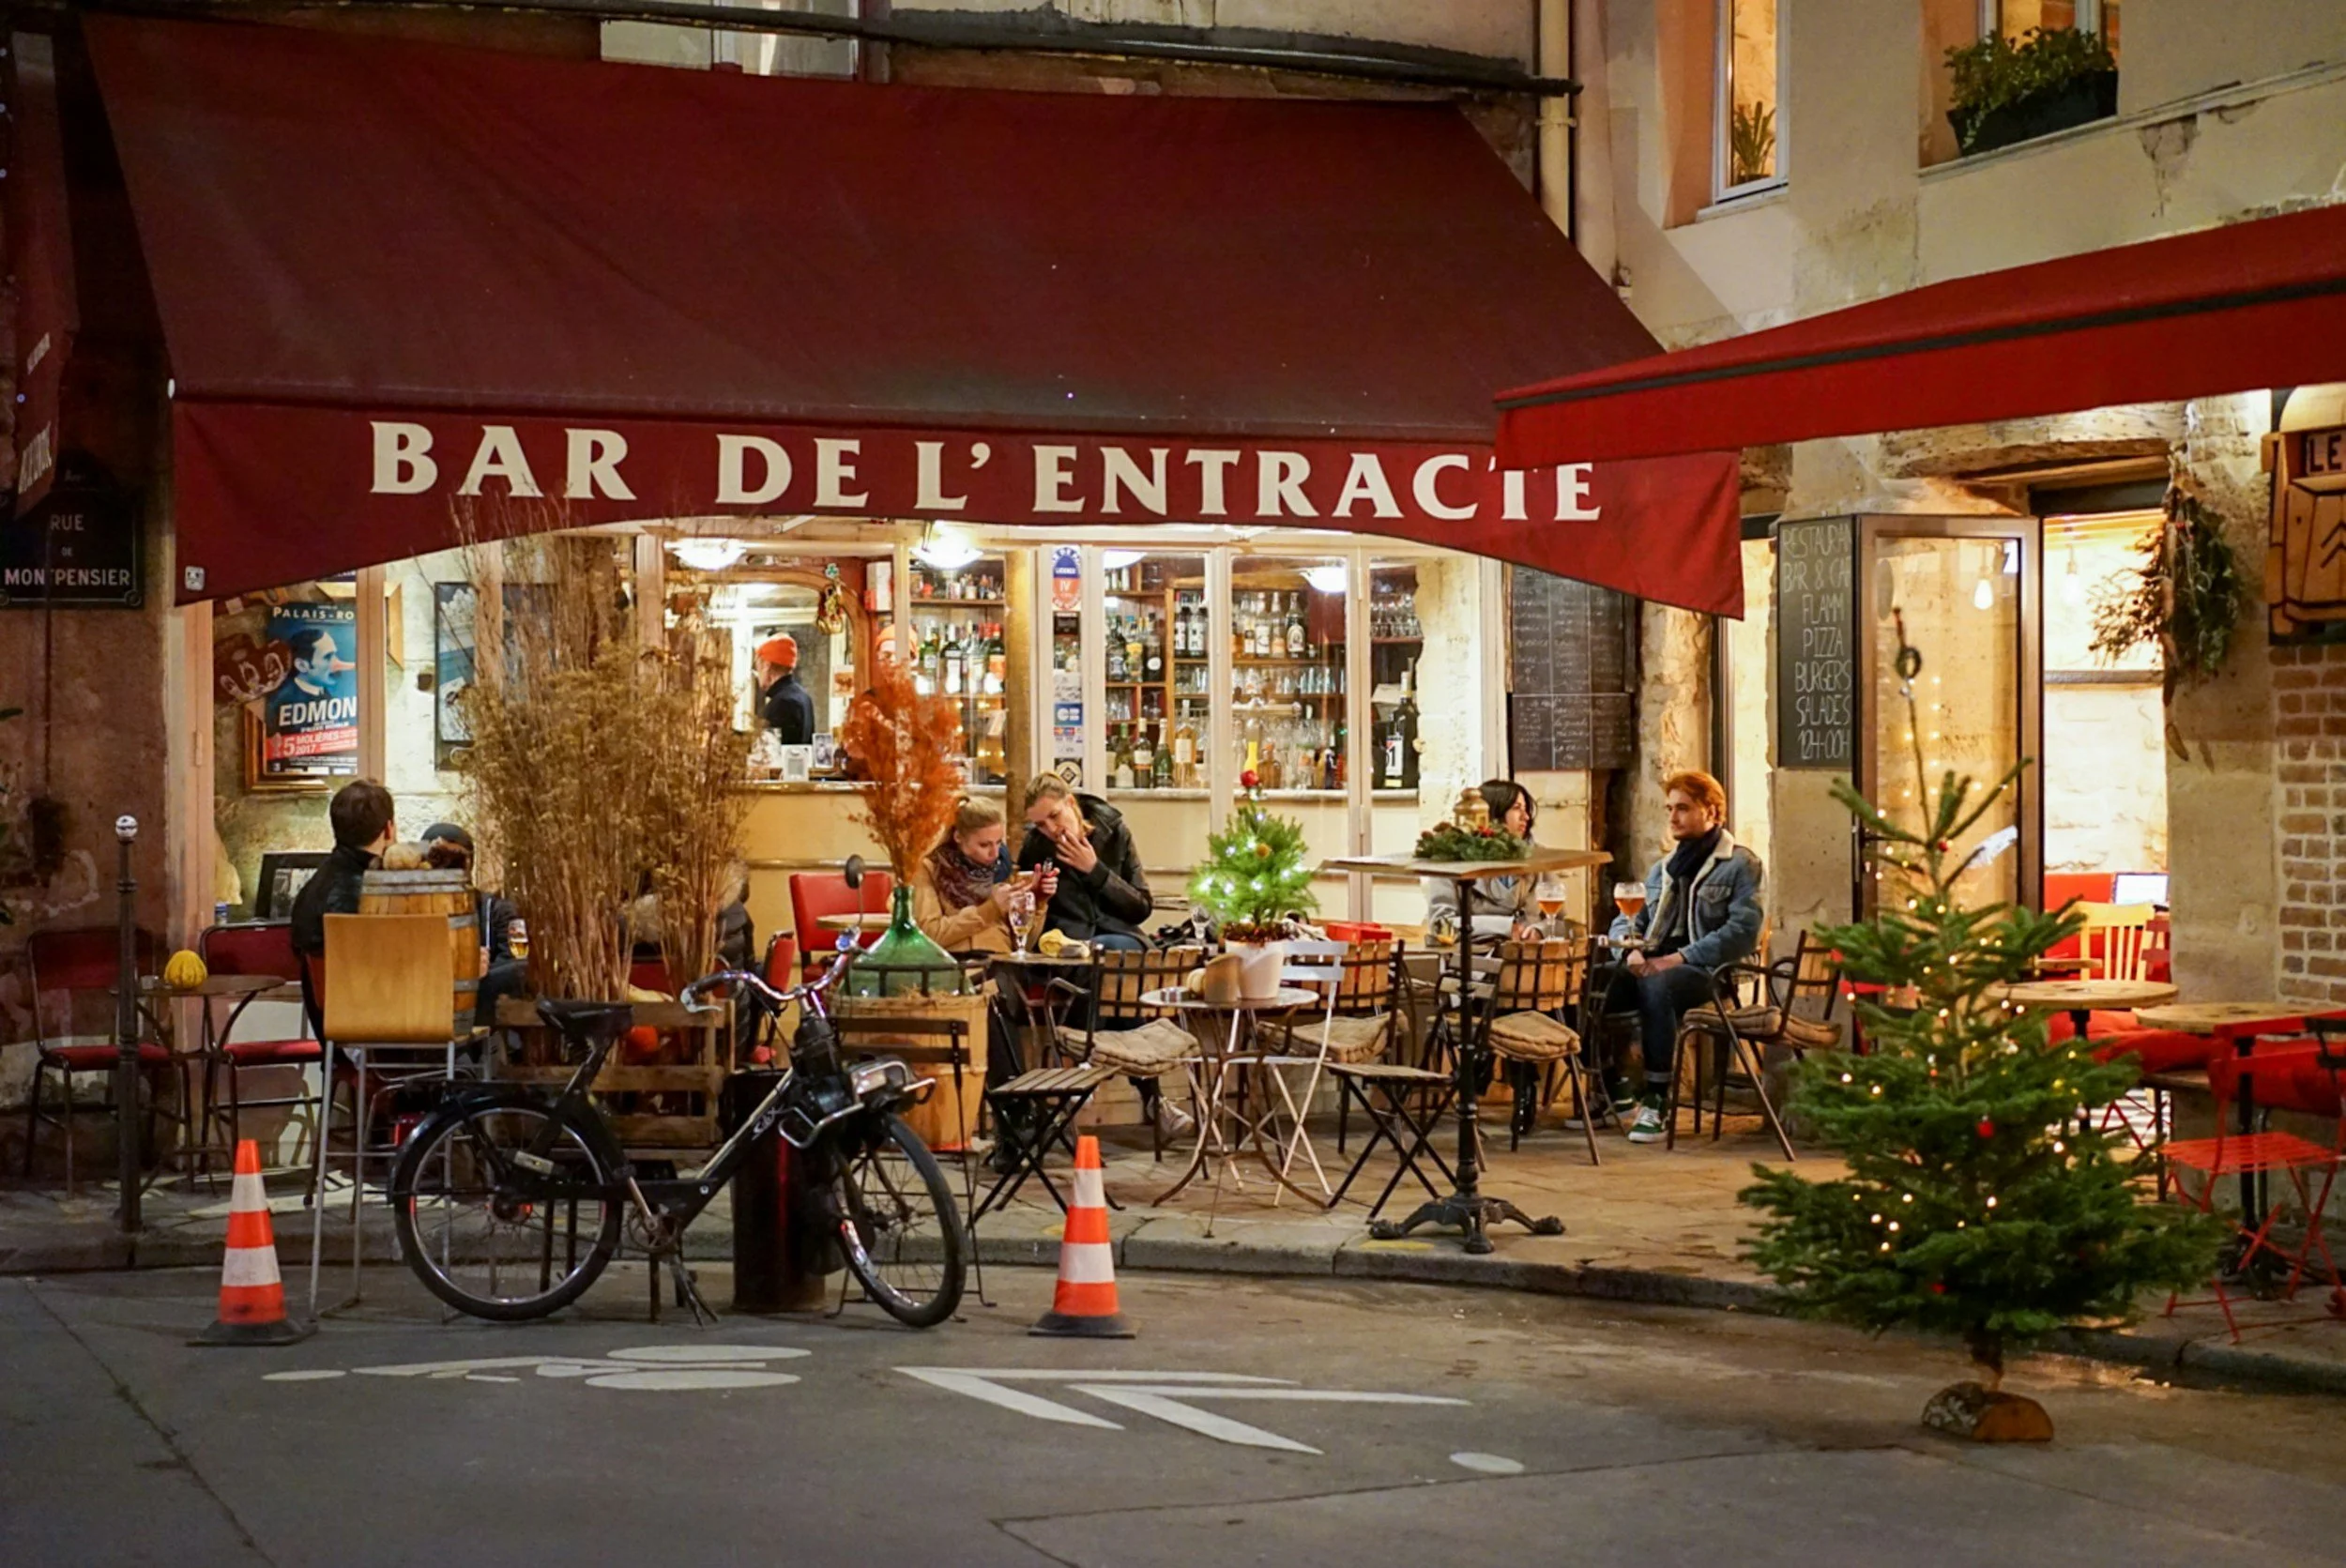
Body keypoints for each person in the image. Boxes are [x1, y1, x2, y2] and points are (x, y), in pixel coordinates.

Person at [1603, 769, 1764, 1145]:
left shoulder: (1742, 864)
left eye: (1683, 808)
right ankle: (1614, 1088)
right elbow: (1627, 920)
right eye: (1669, 809)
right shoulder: (1663, 868)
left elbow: (1742, 933)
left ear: (1714, 813)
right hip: (1657, 960)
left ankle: (1657, 1100)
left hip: (1709, 968)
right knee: (1593, 978)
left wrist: (1675, 959)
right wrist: (1630, 949)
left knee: (1659, 984)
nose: (1673, 817)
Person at [289, 779, 396, 1032]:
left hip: (333, 1035)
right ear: (389, 829)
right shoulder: (370, 894)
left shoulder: (314, 885)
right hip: (384, 1033)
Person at [1015, 775, 1152, 946]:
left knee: (1103, 948)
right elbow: (1021, 913)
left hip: (1117, 933)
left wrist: (1096, 870)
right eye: (1041, 825)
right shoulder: (1036, 845)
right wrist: (1037, 895)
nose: (1051, 829)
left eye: (1054, 815)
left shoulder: (1114, 833)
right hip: (1062, 938)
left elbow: (1141, 910)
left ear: (1070, 803)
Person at [419, 821, 527, 1030]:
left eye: (454, 861)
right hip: (423, 1013)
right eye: (438, 860)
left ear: (468, 863)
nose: (446, 869)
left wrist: (481, 972)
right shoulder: (413, 910)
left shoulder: (495, 910)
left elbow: (518, 964)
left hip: (479, 1015)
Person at [913, 798, 1044, 957]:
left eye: (998, 843)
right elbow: (930, 935)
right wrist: (990, 909)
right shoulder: (932, 868)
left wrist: (1038, 902)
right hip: (954, 964)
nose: (995, 853)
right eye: (984, 845)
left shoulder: (1004, 870)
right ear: (958, 837)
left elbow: (1024, 946)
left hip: (1001, 963)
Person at [1425, 780, 1544, 940]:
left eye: (1526, 809)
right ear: (1493, 815)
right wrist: (1507, 927)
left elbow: (1557, 919)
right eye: (1517, 808)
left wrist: (1539, 930)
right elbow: (1441, 924)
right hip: (1475, 956)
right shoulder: (1449, 862)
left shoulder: (1537, 857)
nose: (1526, 817)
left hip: (1527, 956)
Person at [756, 633, 815, 746]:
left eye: (757, 667)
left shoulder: (782, 703)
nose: (757, 674)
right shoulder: (804, 696)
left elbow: (771, 756)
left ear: (766, 665)